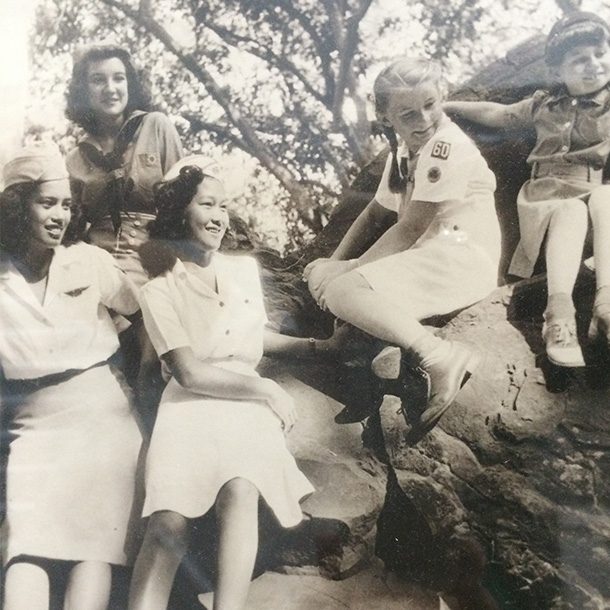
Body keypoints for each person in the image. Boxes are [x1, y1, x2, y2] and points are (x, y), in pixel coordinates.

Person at [128, 155, 341, 610]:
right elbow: (187, 370)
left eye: (224, 206)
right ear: (180, 212)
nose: (220, 217)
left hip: (241, 404)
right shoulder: (159, 289)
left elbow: (250, 336)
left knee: (241, 489)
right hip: (189, 402)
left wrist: (318, 348)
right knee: (169, 523)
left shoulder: (242, 271)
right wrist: (267, 389)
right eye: (208, 205)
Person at [304, 57, 501, 431]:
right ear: (386, 118)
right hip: (428, 259)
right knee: (321, 273)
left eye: (430, 105)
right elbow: (375, 214)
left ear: (441, 97)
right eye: (408, 114)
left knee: (345, 289)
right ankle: (371, 360)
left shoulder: (445, 147)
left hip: (460, 258)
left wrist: (347, 272)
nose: (424, 120)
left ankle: (438, 355)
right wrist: (332, 262)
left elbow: (410, 228)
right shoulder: (404, 154)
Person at [0, 144, 143, 609]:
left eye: (66, 204)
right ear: (18, 205)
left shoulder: (88, 261)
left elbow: (144, 315)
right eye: (47, 203)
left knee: (95, 551)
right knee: (25, 546)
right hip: (32, 426)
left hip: (102, 419)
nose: (59, 215)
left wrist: (144, 382)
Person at [444, 11, 610, 367]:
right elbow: (498, 115)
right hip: (546, 203)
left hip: (592, 198)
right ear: (557, 72)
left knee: (606, 196)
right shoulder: (543, 106)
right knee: (570, 210)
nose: (593, 65)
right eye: (580, 60)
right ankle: (559, 315)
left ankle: (606, 304)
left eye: (600, 53)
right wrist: (446, 105)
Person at [65, 44, 183, 285]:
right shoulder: (75, 158)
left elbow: (185, 202)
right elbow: (71, 229)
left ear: (130, 84)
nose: (110, 89)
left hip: (155, 263)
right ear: (84, 91)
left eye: (119, 78)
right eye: (98, 80)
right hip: (96, 265)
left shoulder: (156, 126)